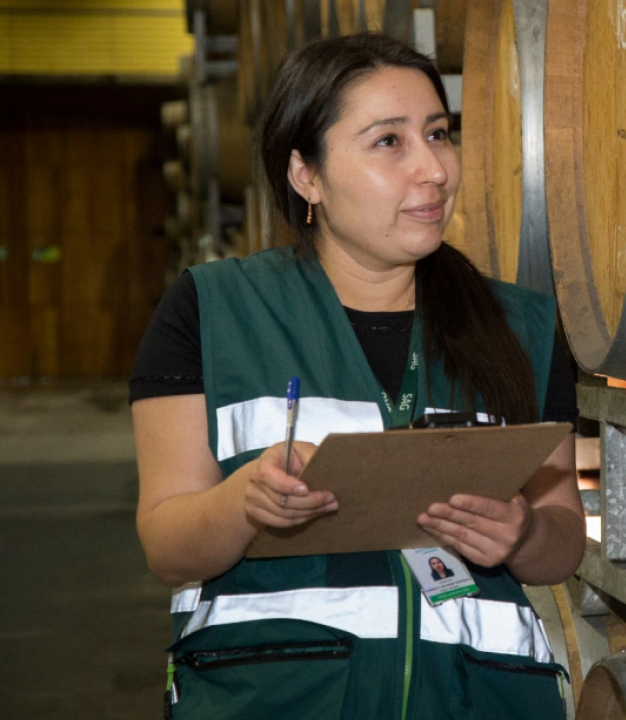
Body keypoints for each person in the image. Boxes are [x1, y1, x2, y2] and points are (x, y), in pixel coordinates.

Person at [130, 33, 585, 720]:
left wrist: (522, 536)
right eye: (388, 142)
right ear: (305, 175)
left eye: (438, 134)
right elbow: (167, 546)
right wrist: (245, 502)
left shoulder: (520, 326)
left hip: (475, 698)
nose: (433, 169)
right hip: (279, 697)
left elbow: (563, 538)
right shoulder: (215, 310)